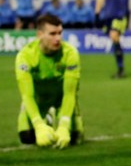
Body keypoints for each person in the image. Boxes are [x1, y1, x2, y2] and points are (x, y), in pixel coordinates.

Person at [15, 14, 83, 149]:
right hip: (38, 99)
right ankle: (47, 118)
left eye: (60, 33)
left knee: (74, 138)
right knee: (27, 137)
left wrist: (64, 125)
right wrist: (38, 125)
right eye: (52, 34)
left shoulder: (70, 54)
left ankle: (59, 118)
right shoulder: (25, 56)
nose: (57, 38)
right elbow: (27, 95)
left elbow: (70, 94)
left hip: (61, 99)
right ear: (40, 34)